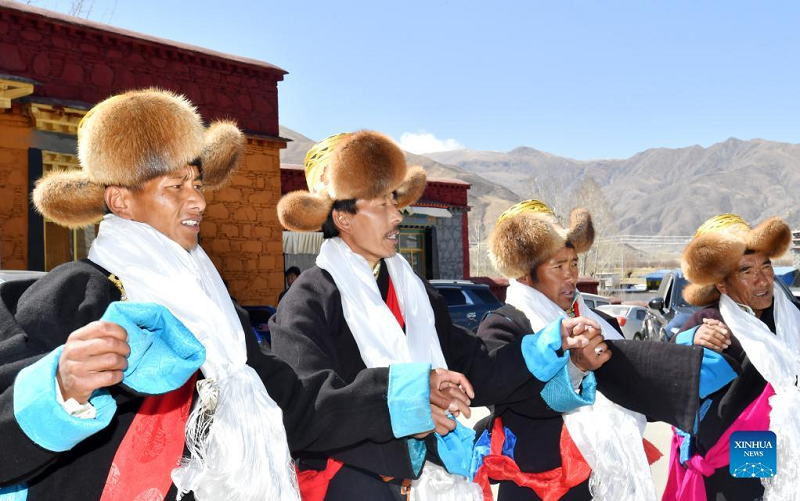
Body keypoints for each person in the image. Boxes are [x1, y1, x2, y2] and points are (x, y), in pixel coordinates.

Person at [0, 90, 472, 501]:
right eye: (175, 186)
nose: (198, 200)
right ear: (122, 201)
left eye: (198, 183)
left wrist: (406, 392)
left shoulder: (216, 311)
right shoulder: (81, 293)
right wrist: (60, 385)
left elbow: (296, 405)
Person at [271, 132, 606, 501]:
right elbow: (306, 407)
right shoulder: (307, 300)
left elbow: (478, 367)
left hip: (429, 481)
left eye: (396, 202)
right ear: (343, 217)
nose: (398, 215)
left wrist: (551, 344)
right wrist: (409, 393)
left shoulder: (415, 292)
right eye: (382, 204)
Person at [472, 200, 706, 501]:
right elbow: (513, 403)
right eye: (558, 266)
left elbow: (631, 384)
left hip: (606, 478)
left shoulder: (602, 323)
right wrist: (577, 368)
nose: (571, 275)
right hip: (539, 487)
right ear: (524, 274)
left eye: (574, 263)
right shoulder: (503, 326)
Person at [663, 213, 800, 501]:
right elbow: (666, 373)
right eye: (746, 271)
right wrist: (689, 341)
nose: (762, 279)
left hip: (786, 442)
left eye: (766, 265)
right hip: (741, 448)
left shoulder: (789, 317)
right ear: (722, 285)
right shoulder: (710, 322)